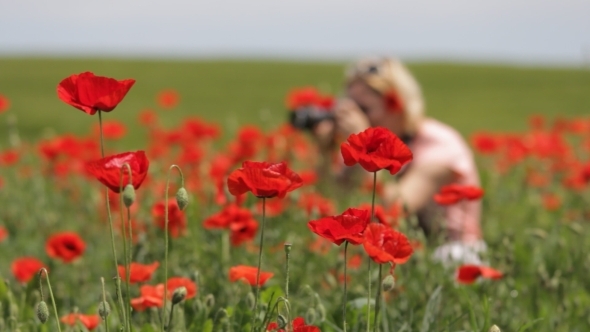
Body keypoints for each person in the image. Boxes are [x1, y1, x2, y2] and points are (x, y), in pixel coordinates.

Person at [313, 57, 486, 265]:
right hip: (403, 251)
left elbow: (394, 207)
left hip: (453, 252)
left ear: (397, 104)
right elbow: (333, 194)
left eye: (365, 109)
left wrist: (363, 142)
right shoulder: (373, 148)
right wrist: (323, 152)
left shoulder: (440, 145)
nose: (355, 117)